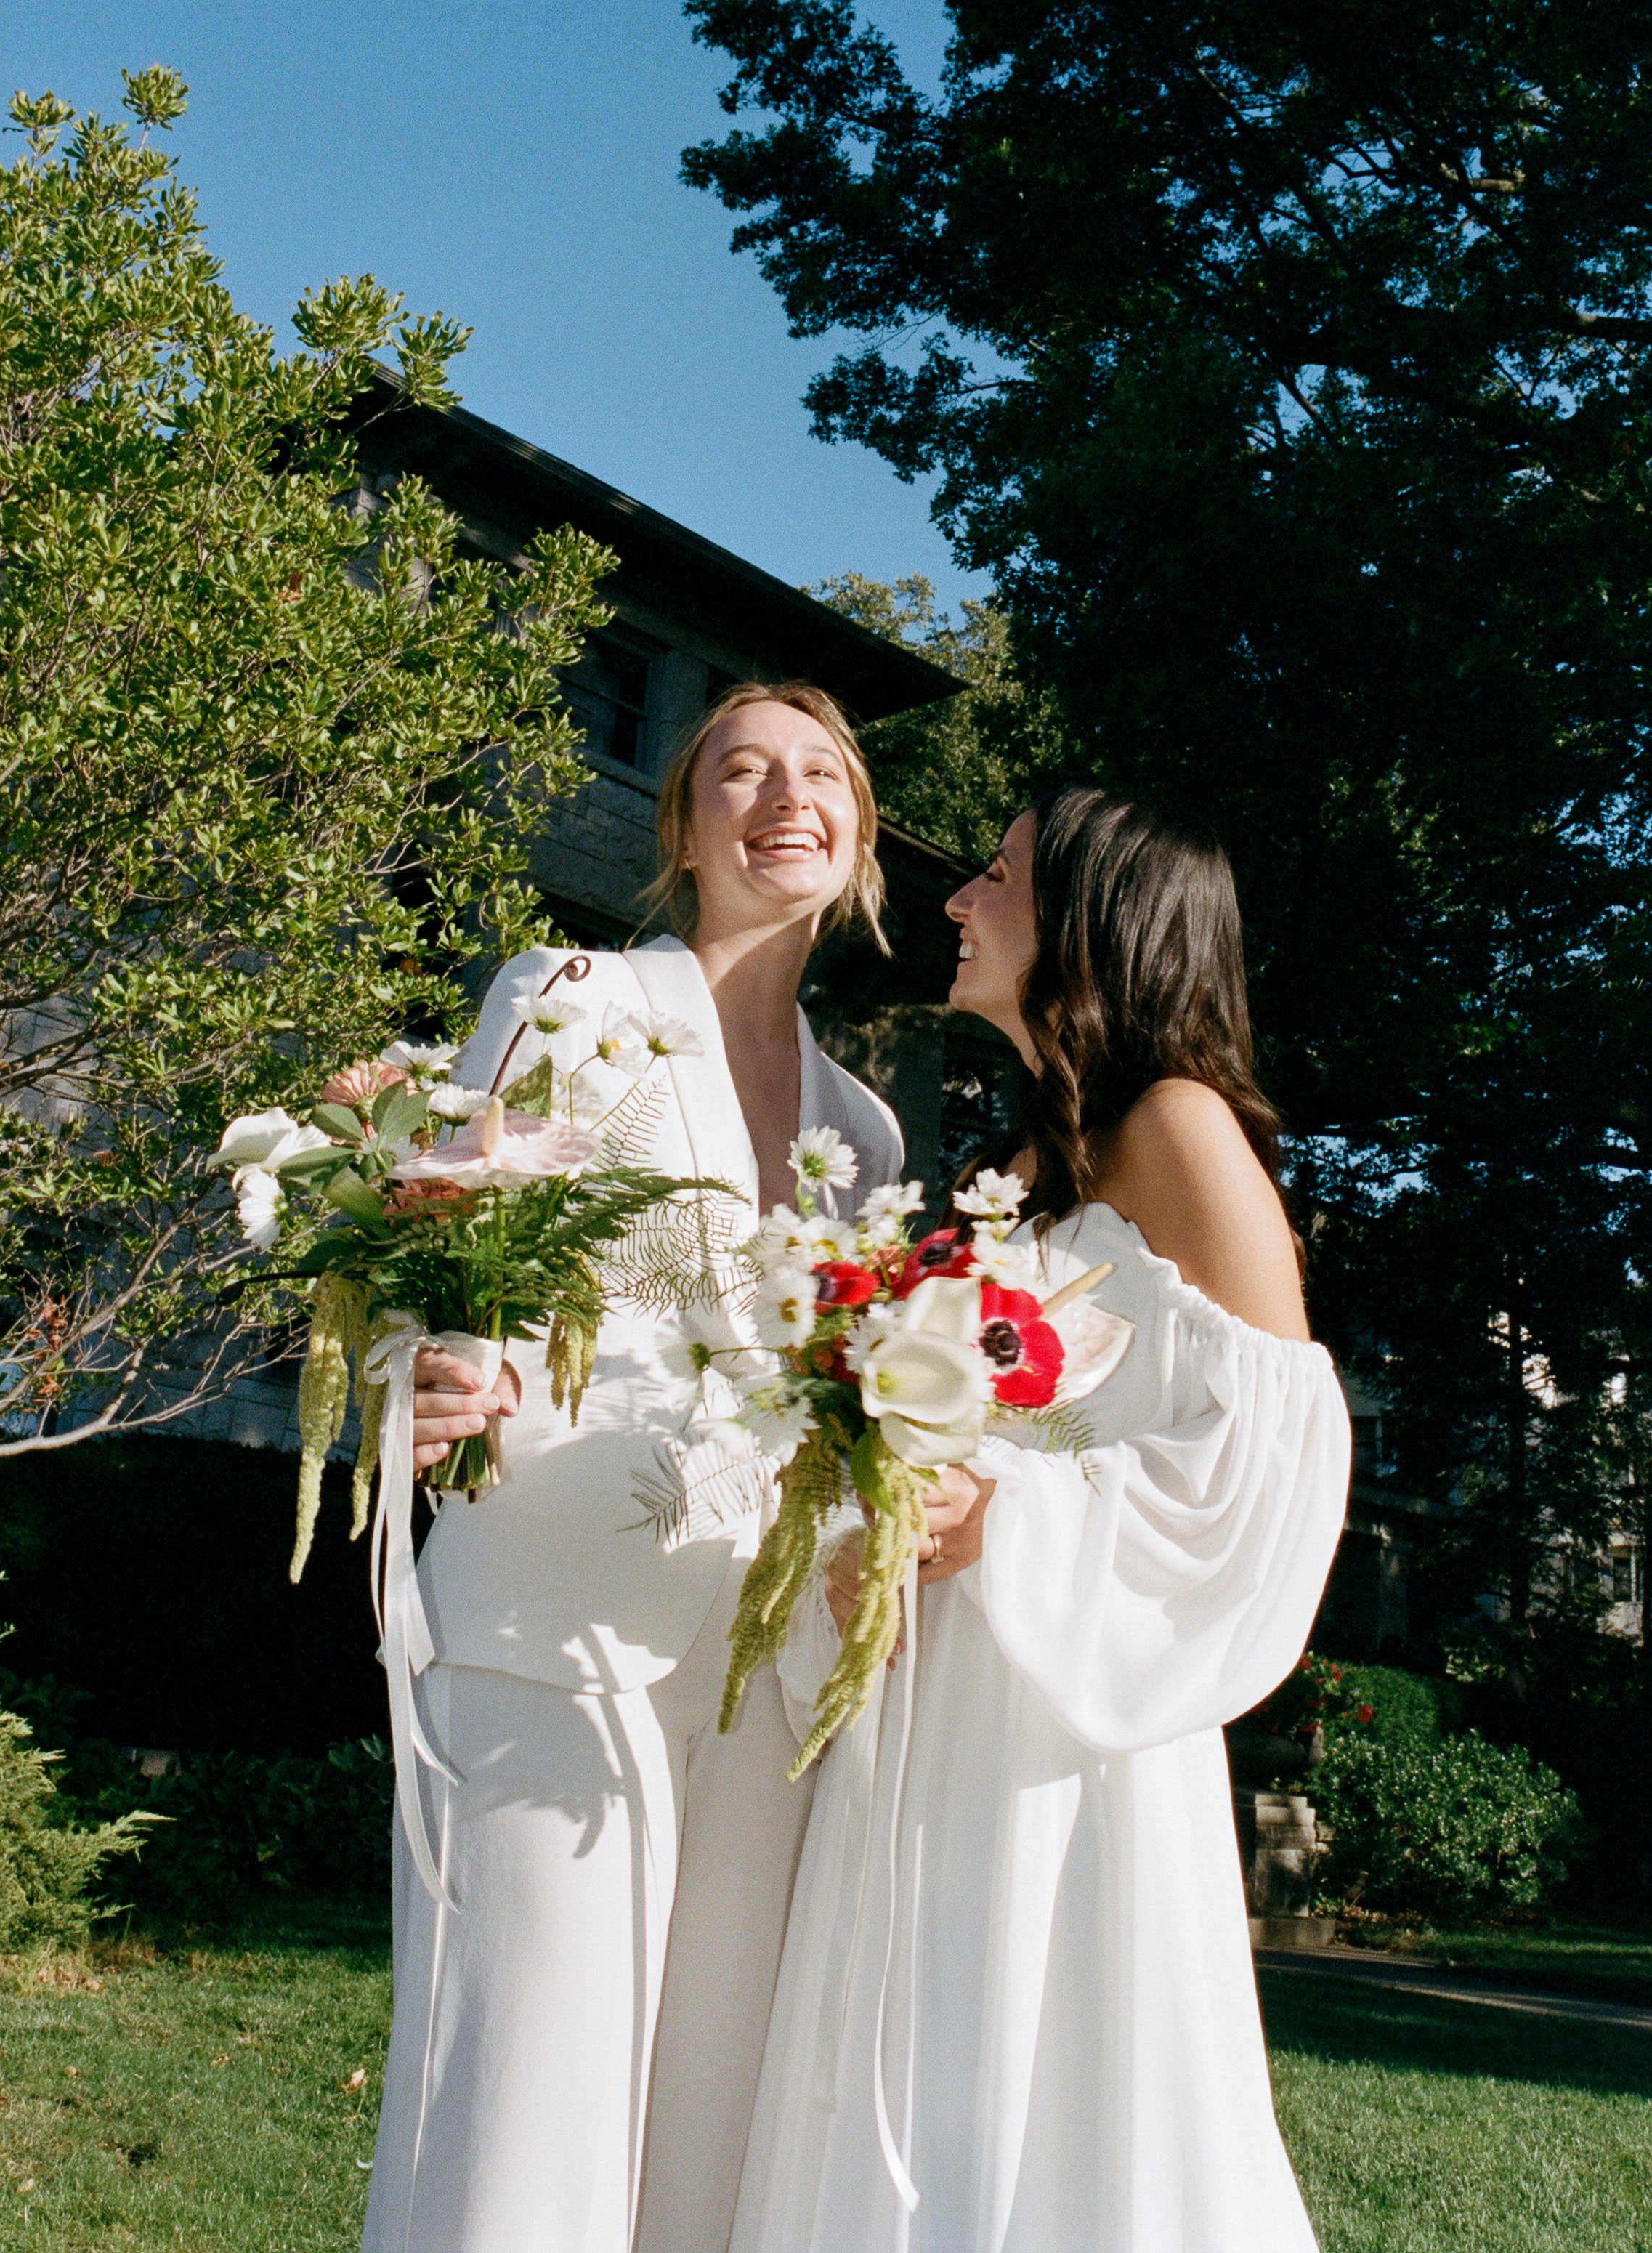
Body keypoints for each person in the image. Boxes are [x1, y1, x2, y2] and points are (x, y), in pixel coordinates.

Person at [732, 788, 1352, 2253]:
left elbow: (1274, 1464)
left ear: (1094, 916)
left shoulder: (1181, 1130)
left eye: (996, 877)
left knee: (1048, 2075)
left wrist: (1008, 1510)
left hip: (1072, 1728)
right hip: (936, 1705)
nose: (958, 903)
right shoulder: (1011, 1175)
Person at [360, 683, 904, 2253]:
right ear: (684, 827)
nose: (782, 795)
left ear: (858, 833)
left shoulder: (864, 1126)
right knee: (520, 2103)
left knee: (714, 2131)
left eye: (820, 772)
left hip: (764, 1661)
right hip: (545, 1613)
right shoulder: (574, 990)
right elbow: (440, 1234)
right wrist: (429, 1368)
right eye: (739, 771)